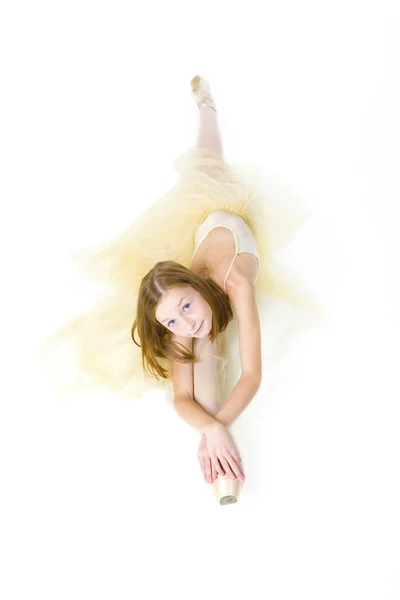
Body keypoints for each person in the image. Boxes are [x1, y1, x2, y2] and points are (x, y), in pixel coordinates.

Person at [40, 75, 325, 505]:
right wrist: (210, 427)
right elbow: (182, 397)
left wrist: (215, 426)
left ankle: (206, 107)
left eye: (186, 307)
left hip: (221, 211)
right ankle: (222, 470)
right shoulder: (179, 320)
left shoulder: (235, 283)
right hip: (201, 259)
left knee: (208, 157)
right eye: (173, 319)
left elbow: (252, 374)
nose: (185, 323)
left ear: (194, 287)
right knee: (198, 353)